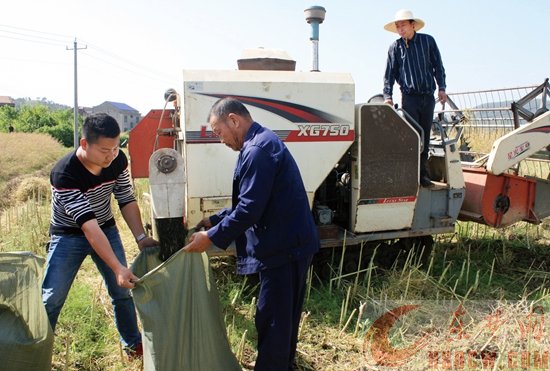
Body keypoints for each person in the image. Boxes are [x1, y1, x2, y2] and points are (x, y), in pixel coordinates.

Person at [183, 97, 320, 370]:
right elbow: (251, 200)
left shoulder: (257, 150)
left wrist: (209, 237)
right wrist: (213, 219)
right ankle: (284, 364)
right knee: (283, 318)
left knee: (272, 320)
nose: (219, 140)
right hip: (289, 244)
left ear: (234, 120)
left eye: (219, 132)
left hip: (283, 249)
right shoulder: (260, 143)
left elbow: (249, 210)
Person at [42, 113, 158, 358]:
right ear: (84, 144)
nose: (111, 155)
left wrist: (140, 237)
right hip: (69, 236)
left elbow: (126, 198)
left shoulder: (117, 162)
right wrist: (117, 267)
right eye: (105, 150)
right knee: (51, 299)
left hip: (105, 227)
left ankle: (132, 342)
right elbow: (87, 226)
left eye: (116, 148)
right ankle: (38, 350)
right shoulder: (65, 174)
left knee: (122, 293)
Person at [383, 9, 448, 187]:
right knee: (412, 135)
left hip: (427, 96)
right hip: (409, 97)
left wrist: (441, 88)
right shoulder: (395, 48)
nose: (400, 29)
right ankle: (410, 174)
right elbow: (389, 74)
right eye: (397, 26)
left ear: (412, 25)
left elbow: (438, 66)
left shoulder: (428, 41)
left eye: (403, 25)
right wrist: (388, 96)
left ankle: (423, 175)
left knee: (425, 135)